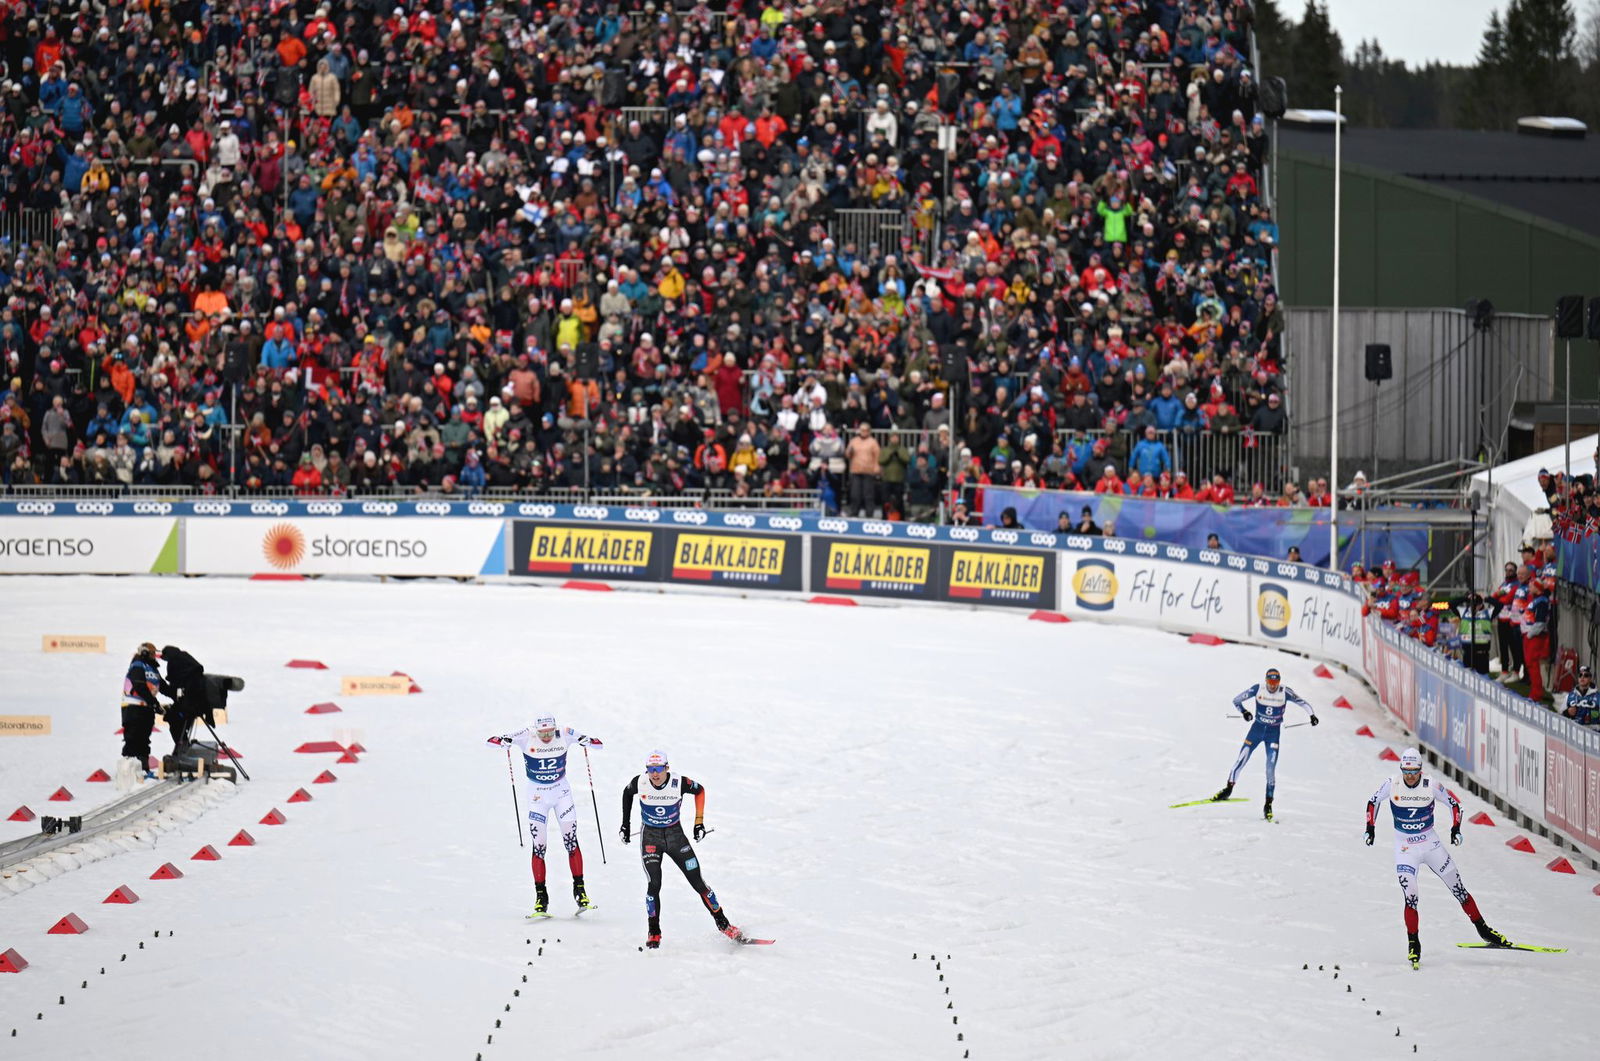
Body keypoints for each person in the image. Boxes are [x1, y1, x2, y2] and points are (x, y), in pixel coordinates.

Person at [1364, 748, 1511, 967]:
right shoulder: (1392, 783)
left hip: (1430, 844)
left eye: (1414, 772)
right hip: (1405, 848)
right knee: (1410, 895)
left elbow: (1454, 804)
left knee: (1458, 888)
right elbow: (1373, 801)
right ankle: (1413, 943)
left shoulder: (1431, 784)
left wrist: (1455, 829)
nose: (1410, 776)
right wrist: (1370, 828)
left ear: (1421, 769)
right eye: (1406, 771)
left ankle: (1483, 930)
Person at [619, 750, 744, 948]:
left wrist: (699, 822)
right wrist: (625, 825)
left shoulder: (679, 782)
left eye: (659, 769)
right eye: (651, 770)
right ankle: (654, 932)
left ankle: (724, 924)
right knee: (654, 884)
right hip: (651, 838)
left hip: (676, 837)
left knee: (699, 883)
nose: (655, 774)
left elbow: (700, 790)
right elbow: (627, 794)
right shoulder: (640, 782)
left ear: (667, 768)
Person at [488, 715, 604, 917]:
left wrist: (588, 741)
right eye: (543, 733)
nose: (548, 736)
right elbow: (491, 741)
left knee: (571, 841)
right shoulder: (526, 735)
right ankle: (541, 897)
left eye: (550, 732)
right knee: (539, 846)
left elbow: (598, 744)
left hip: (561, 794)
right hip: (537, 797)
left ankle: (580, 891)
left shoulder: (565, 733)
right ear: (536, 731)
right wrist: (503, 741)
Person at [1212, 667, 1319, 820]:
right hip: (1256, 730)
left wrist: (1312, 716)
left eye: (1276, 682)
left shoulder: (1285, 691)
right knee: (1241, 759)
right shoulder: (1258, 689)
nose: (1273, 686)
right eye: (1270, 682)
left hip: (1273, 734)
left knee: (1270, 768)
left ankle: (1268, 804)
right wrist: (1244, 712)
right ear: (1266, 681)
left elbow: (1303, 703)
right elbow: (1236, 700)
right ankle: (1228, 789)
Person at [117, 642, 165, 790]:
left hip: (146, 708)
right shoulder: (137, 665)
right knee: (133, 739)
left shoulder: (153, 669)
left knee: (144, 740)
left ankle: (143, 769)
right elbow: (139, 686)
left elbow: (162, 686)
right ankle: (127, 772)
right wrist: (154, 703)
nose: (153, 656)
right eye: (151, 653)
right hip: (133, 706)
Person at [160, 645, 208, 752]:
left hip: (188, 707)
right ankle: (183, 746)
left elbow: (174, 691)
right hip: (197, 705)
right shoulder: (189, 663)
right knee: (178, 723)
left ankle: (183, 749)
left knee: (173, 720)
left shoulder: (174, 663)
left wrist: (160, 684)